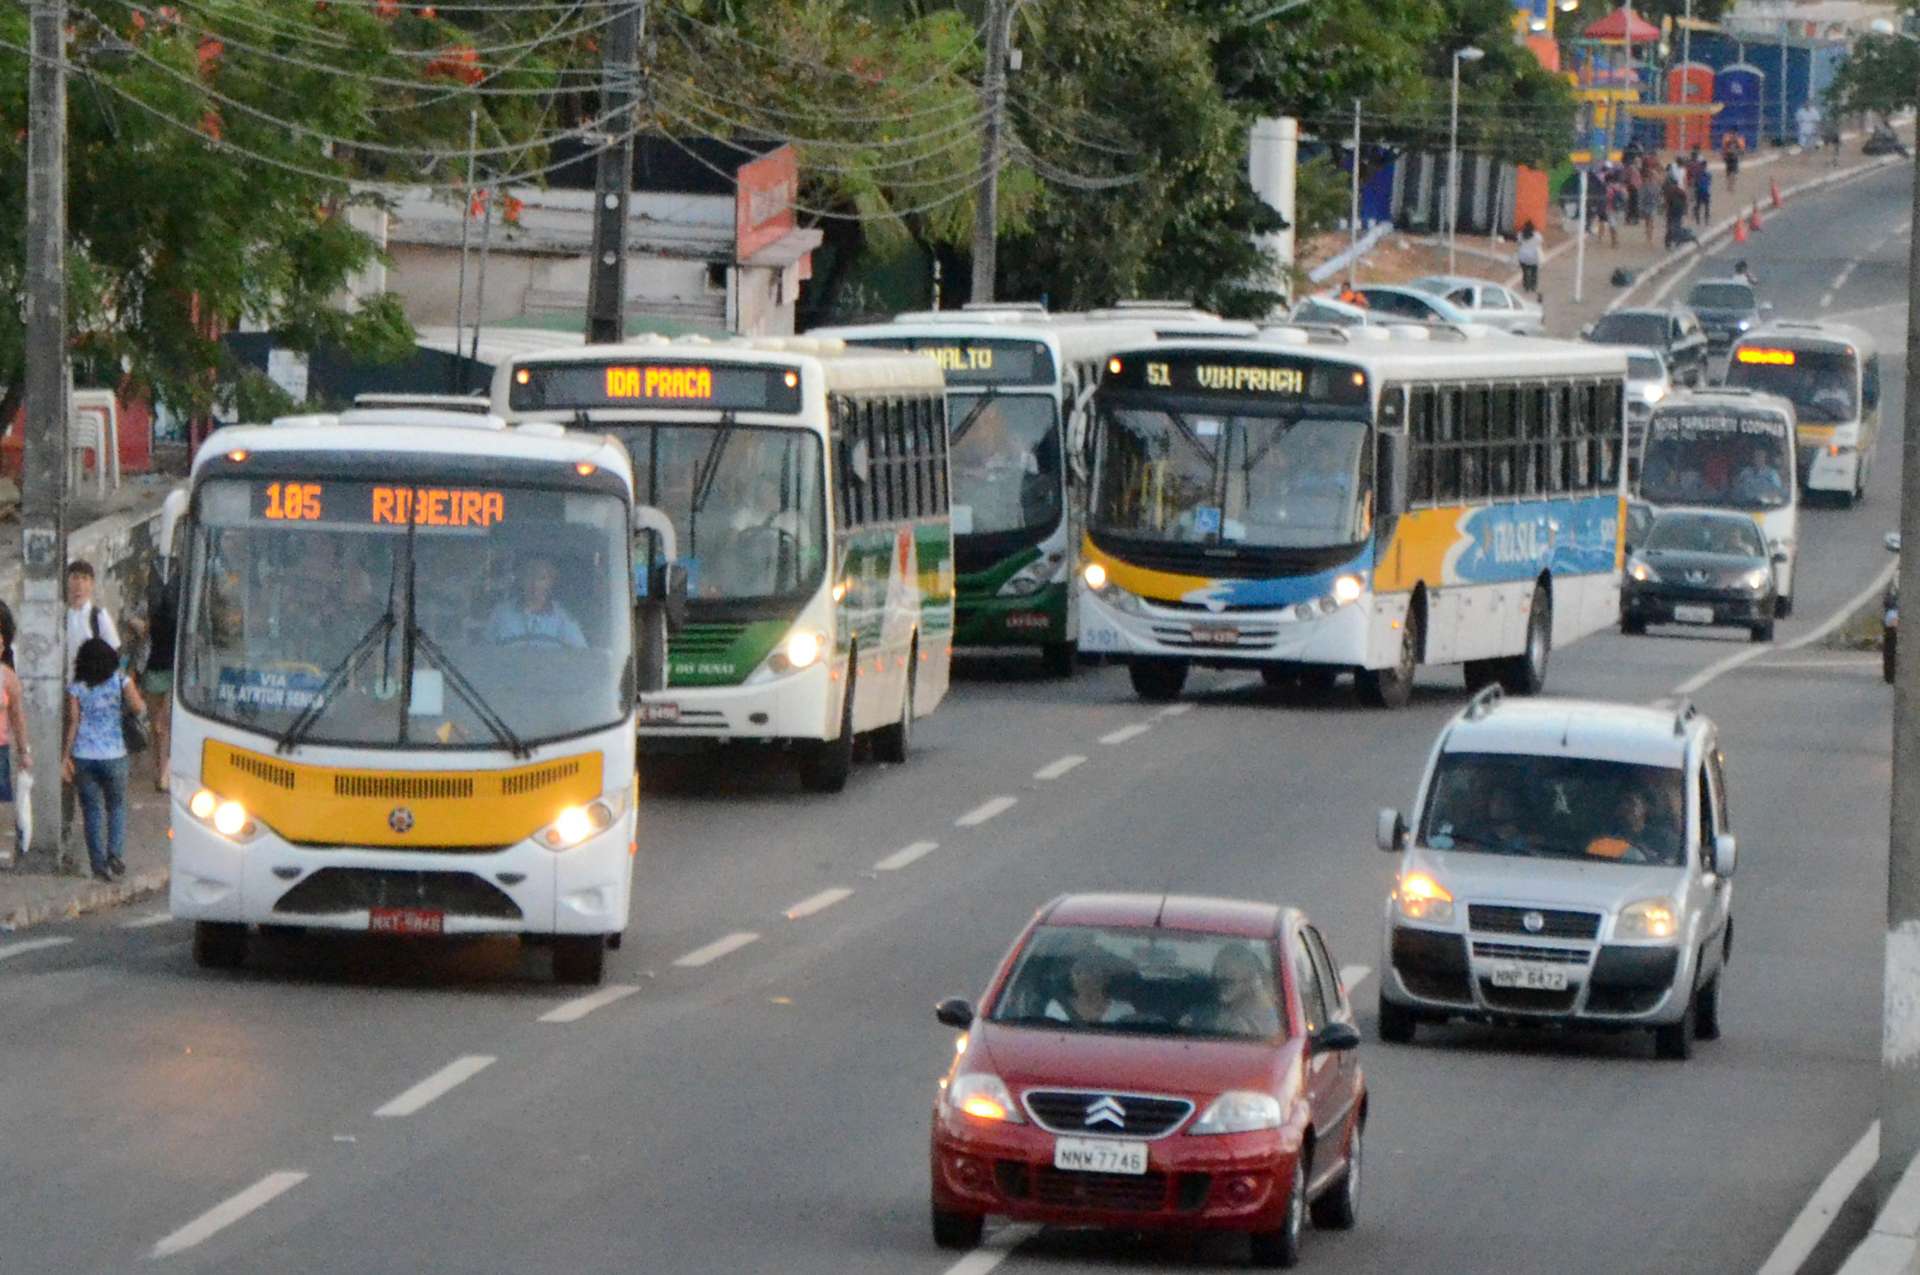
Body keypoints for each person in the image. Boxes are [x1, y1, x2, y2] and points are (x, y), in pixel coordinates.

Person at [63, 636, 144, 882]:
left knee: (91, 811)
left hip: (84, 755)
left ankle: (98, 865)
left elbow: (74, 722)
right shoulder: (121, 682)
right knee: (117, 806)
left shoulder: (76, 687)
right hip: (115, 754)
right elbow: (139, 708)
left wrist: (65, 755)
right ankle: (115, 854)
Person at [131, 564, 177, 793]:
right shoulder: (160, 607)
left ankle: (163, 772)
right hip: (160, 670)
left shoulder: (165, 609)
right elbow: (135, 626)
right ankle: (161, 771)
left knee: (162, 725)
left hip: (163, 671)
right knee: (160, 726)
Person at [486, 554, 587, 648]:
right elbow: (484, 651)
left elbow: (580, 655)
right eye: (529, 576)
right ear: (521, 580)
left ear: (550, 582)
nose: (534, 584)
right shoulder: (501, 612)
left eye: (541, 578)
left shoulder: (564, 617)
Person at [1184, 945, 1282, 1038]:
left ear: (1249, 980)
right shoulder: (1201, 1013)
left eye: (1230, 979)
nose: (1222, 983)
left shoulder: (1269, 1021)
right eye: (1218, 977)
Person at [1587, 785, 1681, 864]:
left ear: (1645, 807)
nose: (1626, 808)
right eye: (1621, 803)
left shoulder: (1665, 839)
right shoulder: (1607, 839)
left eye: (1630, 802)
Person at [0, 622, 29, 864]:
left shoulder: (8, 678)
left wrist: (24, 751)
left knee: (2, 796)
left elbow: (18, 717)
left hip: (1, 748)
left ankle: (4, 848)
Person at [1044, 950, 1137, 1025]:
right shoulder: (1055, 1008)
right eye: (1078, 972)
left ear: (1106, 978)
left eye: (1092, 971)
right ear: (1071, 978)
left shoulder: (1124, 1011)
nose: (1085, 976)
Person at [1515, 221, 1543, 298]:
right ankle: (1533, 286)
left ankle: (1526, 286)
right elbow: (1540, 243)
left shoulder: (1520, 235)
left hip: (1523, 257)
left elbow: (1518, 243)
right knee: (1534, 272)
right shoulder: (1537, 236)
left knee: (1525, 272)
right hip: (1534, 257)